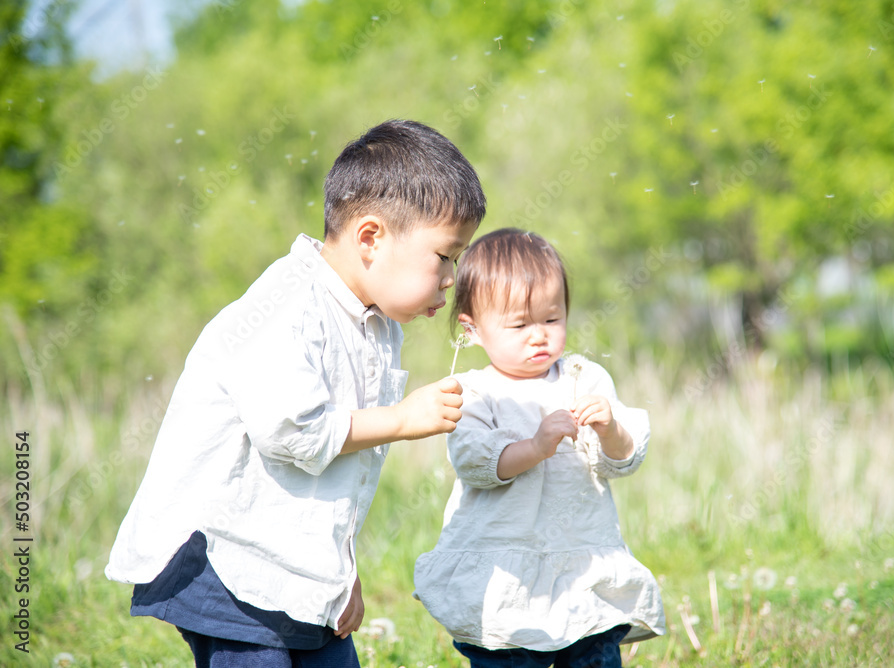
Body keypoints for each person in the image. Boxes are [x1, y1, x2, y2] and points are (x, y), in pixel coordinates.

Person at [105, 119, 486, 667]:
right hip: (225, 557)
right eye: (445, 256)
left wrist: (339, 573)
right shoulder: (287, 303)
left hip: (296, 571)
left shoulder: (379, 327)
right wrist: (403, 418)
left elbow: (341, 476)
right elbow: (294, 430)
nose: (452, 279)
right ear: (372, 238)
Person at [414, 228, 665, 667]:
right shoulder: (475, 393)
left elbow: (622, 461)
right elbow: (476, 463)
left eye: (552, 319)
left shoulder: (584, 380)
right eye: (519, 324)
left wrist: (610, 430)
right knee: (509, 655)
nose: (539, 336)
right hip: (506, 570)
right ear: (472, 329)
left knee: (593, 654)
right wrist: (534, 446)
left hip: (582, 562)